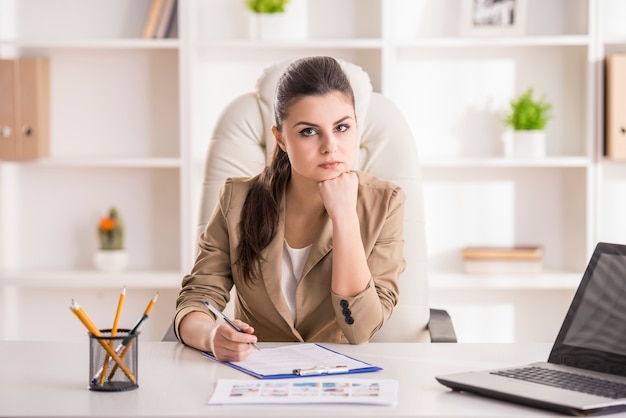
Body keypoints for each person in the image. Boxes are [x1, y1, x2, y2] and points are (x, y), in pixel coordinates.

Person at [175, 56, 406, 362]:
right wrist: (211, 336)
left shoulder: (385, 202)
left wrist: (345, 218)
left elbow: (360, 329)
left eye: (341, 127)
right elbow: (196, 300)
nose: (330, 146)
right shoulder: (237, 200)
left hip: (339, 380)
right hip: (257, 377)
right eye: (309, 131)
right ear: (281, 138)